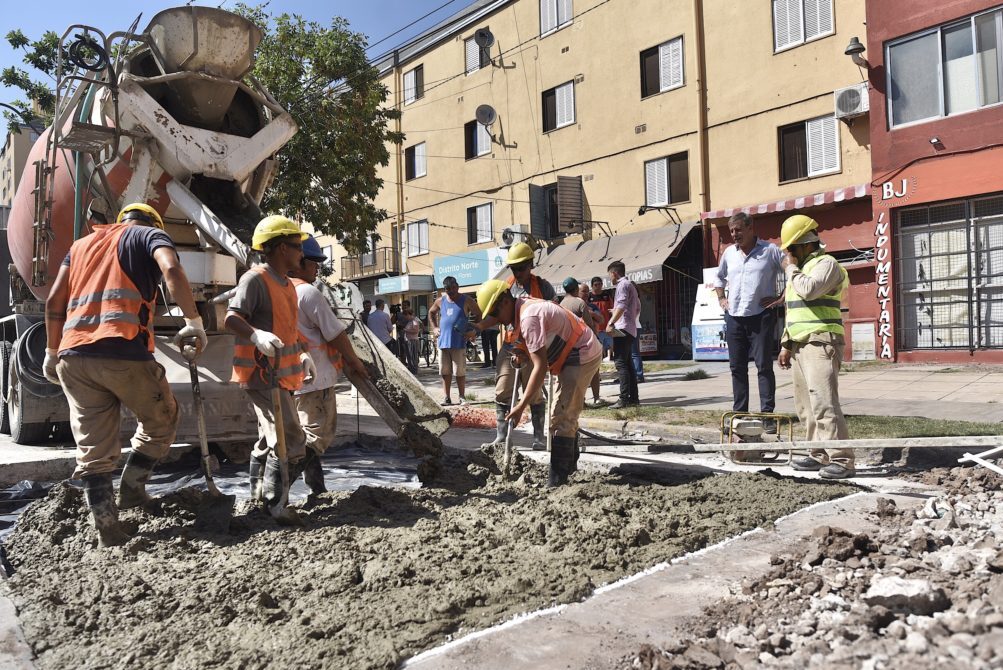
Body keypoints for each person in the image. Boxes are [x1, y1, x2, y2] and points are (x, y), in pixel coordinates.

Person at [43, 202, 208, 547]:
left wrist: (51, 350)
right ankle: (132, 491)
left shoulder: (80, 245)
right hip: (122, 350)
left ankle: (107, 528)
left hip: (74, 356)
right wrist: (193, 321)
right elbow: (172, 270)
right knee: (162, 419)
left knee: (93, 448)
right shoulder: (149, 234)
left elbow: (54, 301)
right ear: (152, 222)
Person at [225, 215, 317, 525]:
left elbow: (289, 330)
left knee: (269, 439)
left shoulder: (288, 284)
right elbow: (231, 318)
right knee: (290, 438)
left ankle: (256, 495)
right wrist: (255, 335)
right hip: (262, 376)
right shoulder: (255, 279)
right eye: (295, 246)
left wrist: (303, 353)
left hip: (283, 376)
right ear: (278, 248)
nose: (300, 254)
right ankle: (276, 505)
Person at [477, 279, 602, 486]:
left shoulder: (529, 317)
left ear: (505, 302)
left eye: (495, 314)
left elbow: (540, 366)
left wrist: (520, 406)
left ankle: (557, 482)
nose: (496, 320)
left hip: (582, 353)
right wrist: (523, 352)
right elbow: (538, 345)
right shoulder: (520, 309)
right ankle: (568, 471)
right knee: (562, 414)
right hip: (569, 355)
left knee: (562, 417)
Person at [288, 235, 369, 495]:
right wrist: (355, 362)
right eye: (314, 263)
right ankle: (277, 489)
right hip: (316, 379)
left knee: (305, 437)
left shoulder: (280, 291)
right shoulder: (308, 293)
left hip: (292, 378)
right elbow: (335, 334)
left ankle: (317, 490)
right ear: (299, 261)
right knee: (315, 438)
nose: (317, 269)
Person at [777, 214, 852, 480]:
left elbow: (809, 291)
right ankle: (817, 454)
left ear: (806, 243)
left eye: (792, 249)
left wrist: (790, 269)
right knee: (806, 406)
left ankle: (841, 458)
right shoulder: (800, 271)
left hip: (821, 341)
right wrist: (786, 344)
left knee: (824, 402)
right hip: (800, 345)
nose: (789, 255)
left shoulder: (826, 264)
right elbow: (793, 311)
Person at [476, 243, 556, 450]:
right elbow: (496, 315)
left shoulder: (543, 287)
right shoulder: (507, 287)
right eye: (514, 268)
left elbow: (553, 314)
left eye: (521, 267)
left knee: (535, 391)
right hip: (511, 343)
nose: (517, 272)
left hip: (533, 345)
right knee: (503, 390)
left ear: (530, 265)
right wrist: (478, 327)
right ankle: (502, 437)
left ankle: (539, 438)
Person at [713, 212, 784, 433]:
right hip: (734, 317)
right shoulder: (728, 254)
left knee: (763, 366)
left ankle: (767, 415)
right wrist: (721, 298)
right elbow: (718, 278)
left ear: (750, 227)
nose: (735, 234)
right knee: (737, 368)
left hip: (760, 316)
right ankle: (740, 413)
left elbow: (792, 272)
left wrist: (780, 298)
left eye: (738, 230)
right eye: (732, 231)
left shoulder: (770, 250)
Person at [428, 276, 478, 405]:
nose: (451, 291)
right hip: (443, 342)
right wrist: (434, 328)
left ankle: (462, 397)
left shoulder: (467, 300)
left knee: (459, 372)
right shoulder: (440, 301)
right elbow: (431, 313)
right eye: (448, 289)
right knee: (445, 372)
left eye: (453, 288)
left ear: (458, 286)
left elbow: (479, 315)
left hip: (459, 342)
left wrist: (473, 330)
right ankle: (447, 397)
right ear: (445, 289)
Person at [605, 261, 641, 409]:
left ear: (614, 273)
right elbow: (637, 307)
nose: (609, 279)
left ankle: (624, 398)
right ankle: (633, 398)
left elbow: (621, 306)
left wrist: (611, 322)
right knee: (628, 364)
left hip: (623, 329)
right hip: (630, 328)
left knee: (620, 363)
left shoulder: (622, 285)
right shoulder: (630, 285)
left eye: (609, 275)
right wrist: (623, 316)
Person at [580, 283, 606, 406]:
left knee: (595, 371)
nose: (585, 294)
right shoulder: (573, 307)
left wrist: (590, 313)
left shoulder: (592, 307)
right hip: (578, 344)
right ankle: (581, 400)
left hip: (593, 341)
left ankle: (596, 398)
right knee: (580, 373)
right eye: (582, 291)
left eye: (587, 291)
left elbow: (601, 320)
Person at [589, 277, 614, 360]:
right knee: (597, 350)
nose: (598, 286)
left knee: (610, 347)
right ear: (592, 286)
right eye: (596, 285)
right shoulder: (589, 297)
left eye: (600, 284)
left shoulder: (606, 296)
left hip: (607, 327)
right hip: (595, 328)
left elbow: (612, 310)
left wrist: (612, 324)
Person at [401, 308, 422, 373]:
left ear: (408, 314)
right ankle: (411, 369)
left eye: (405, 316)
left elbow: (416, 331)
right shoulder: (410, 321)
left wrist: (406, 330)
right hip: (409, 340)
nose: (405, 318)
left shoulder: (414, 321)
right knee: (409, 356)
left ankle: (414, 370)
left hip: (412, 341)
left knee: (412, 356)